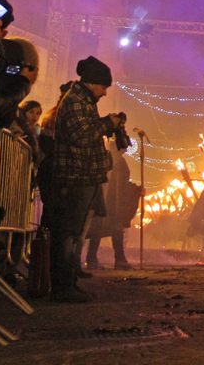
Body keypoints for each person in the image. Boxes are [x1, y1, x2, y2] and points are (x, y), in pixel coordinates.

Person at [42, 56, 124, 302]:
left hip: (83, 175)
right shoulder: (77, 101)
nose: (105, 93)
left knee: (73, 233)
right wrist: (106, 123)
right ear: (91, 83)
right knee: (66, 233)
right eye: (103, 87)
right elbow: (82, 135)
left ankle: (68, 282)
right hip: (74, 176)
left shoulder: (84, 100)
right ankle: (62, 287)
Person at [86, 136, 137, 270]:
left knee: (114, 229)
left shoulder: (120, 162)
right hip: (106, 199)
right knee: (100, 229)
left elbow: (123, 185)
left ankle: (116, 259)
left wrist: (135, 190)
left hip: (112, 201)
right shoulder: (109, 160)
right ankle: (94, 259)